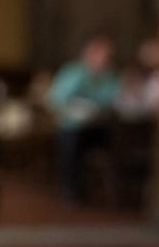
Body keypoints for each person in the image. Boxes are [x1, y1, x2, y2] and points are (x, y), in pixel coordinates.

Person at [47, 34, 121, 202]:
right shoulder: (74, 72)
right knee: (71, 143)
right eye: (101, 55)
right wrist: (76, 109)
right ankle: (71, 190)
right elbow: (57, 99)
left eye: (108, 56)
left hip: (100, 125)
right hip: (73, 125)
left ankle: (113, 191)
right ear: (89, 54)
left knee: (119, 141)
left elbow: (114, 98)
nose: (105, 60)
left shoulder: (111, 76)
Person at [116, 37, 159, 121]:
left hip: (147, 121)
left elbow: (155, 107)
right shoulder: (131, 74)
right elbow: (120, 102)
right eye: (147, 54)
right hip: (125, 119)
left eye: (153, 54)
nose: (149, 58)